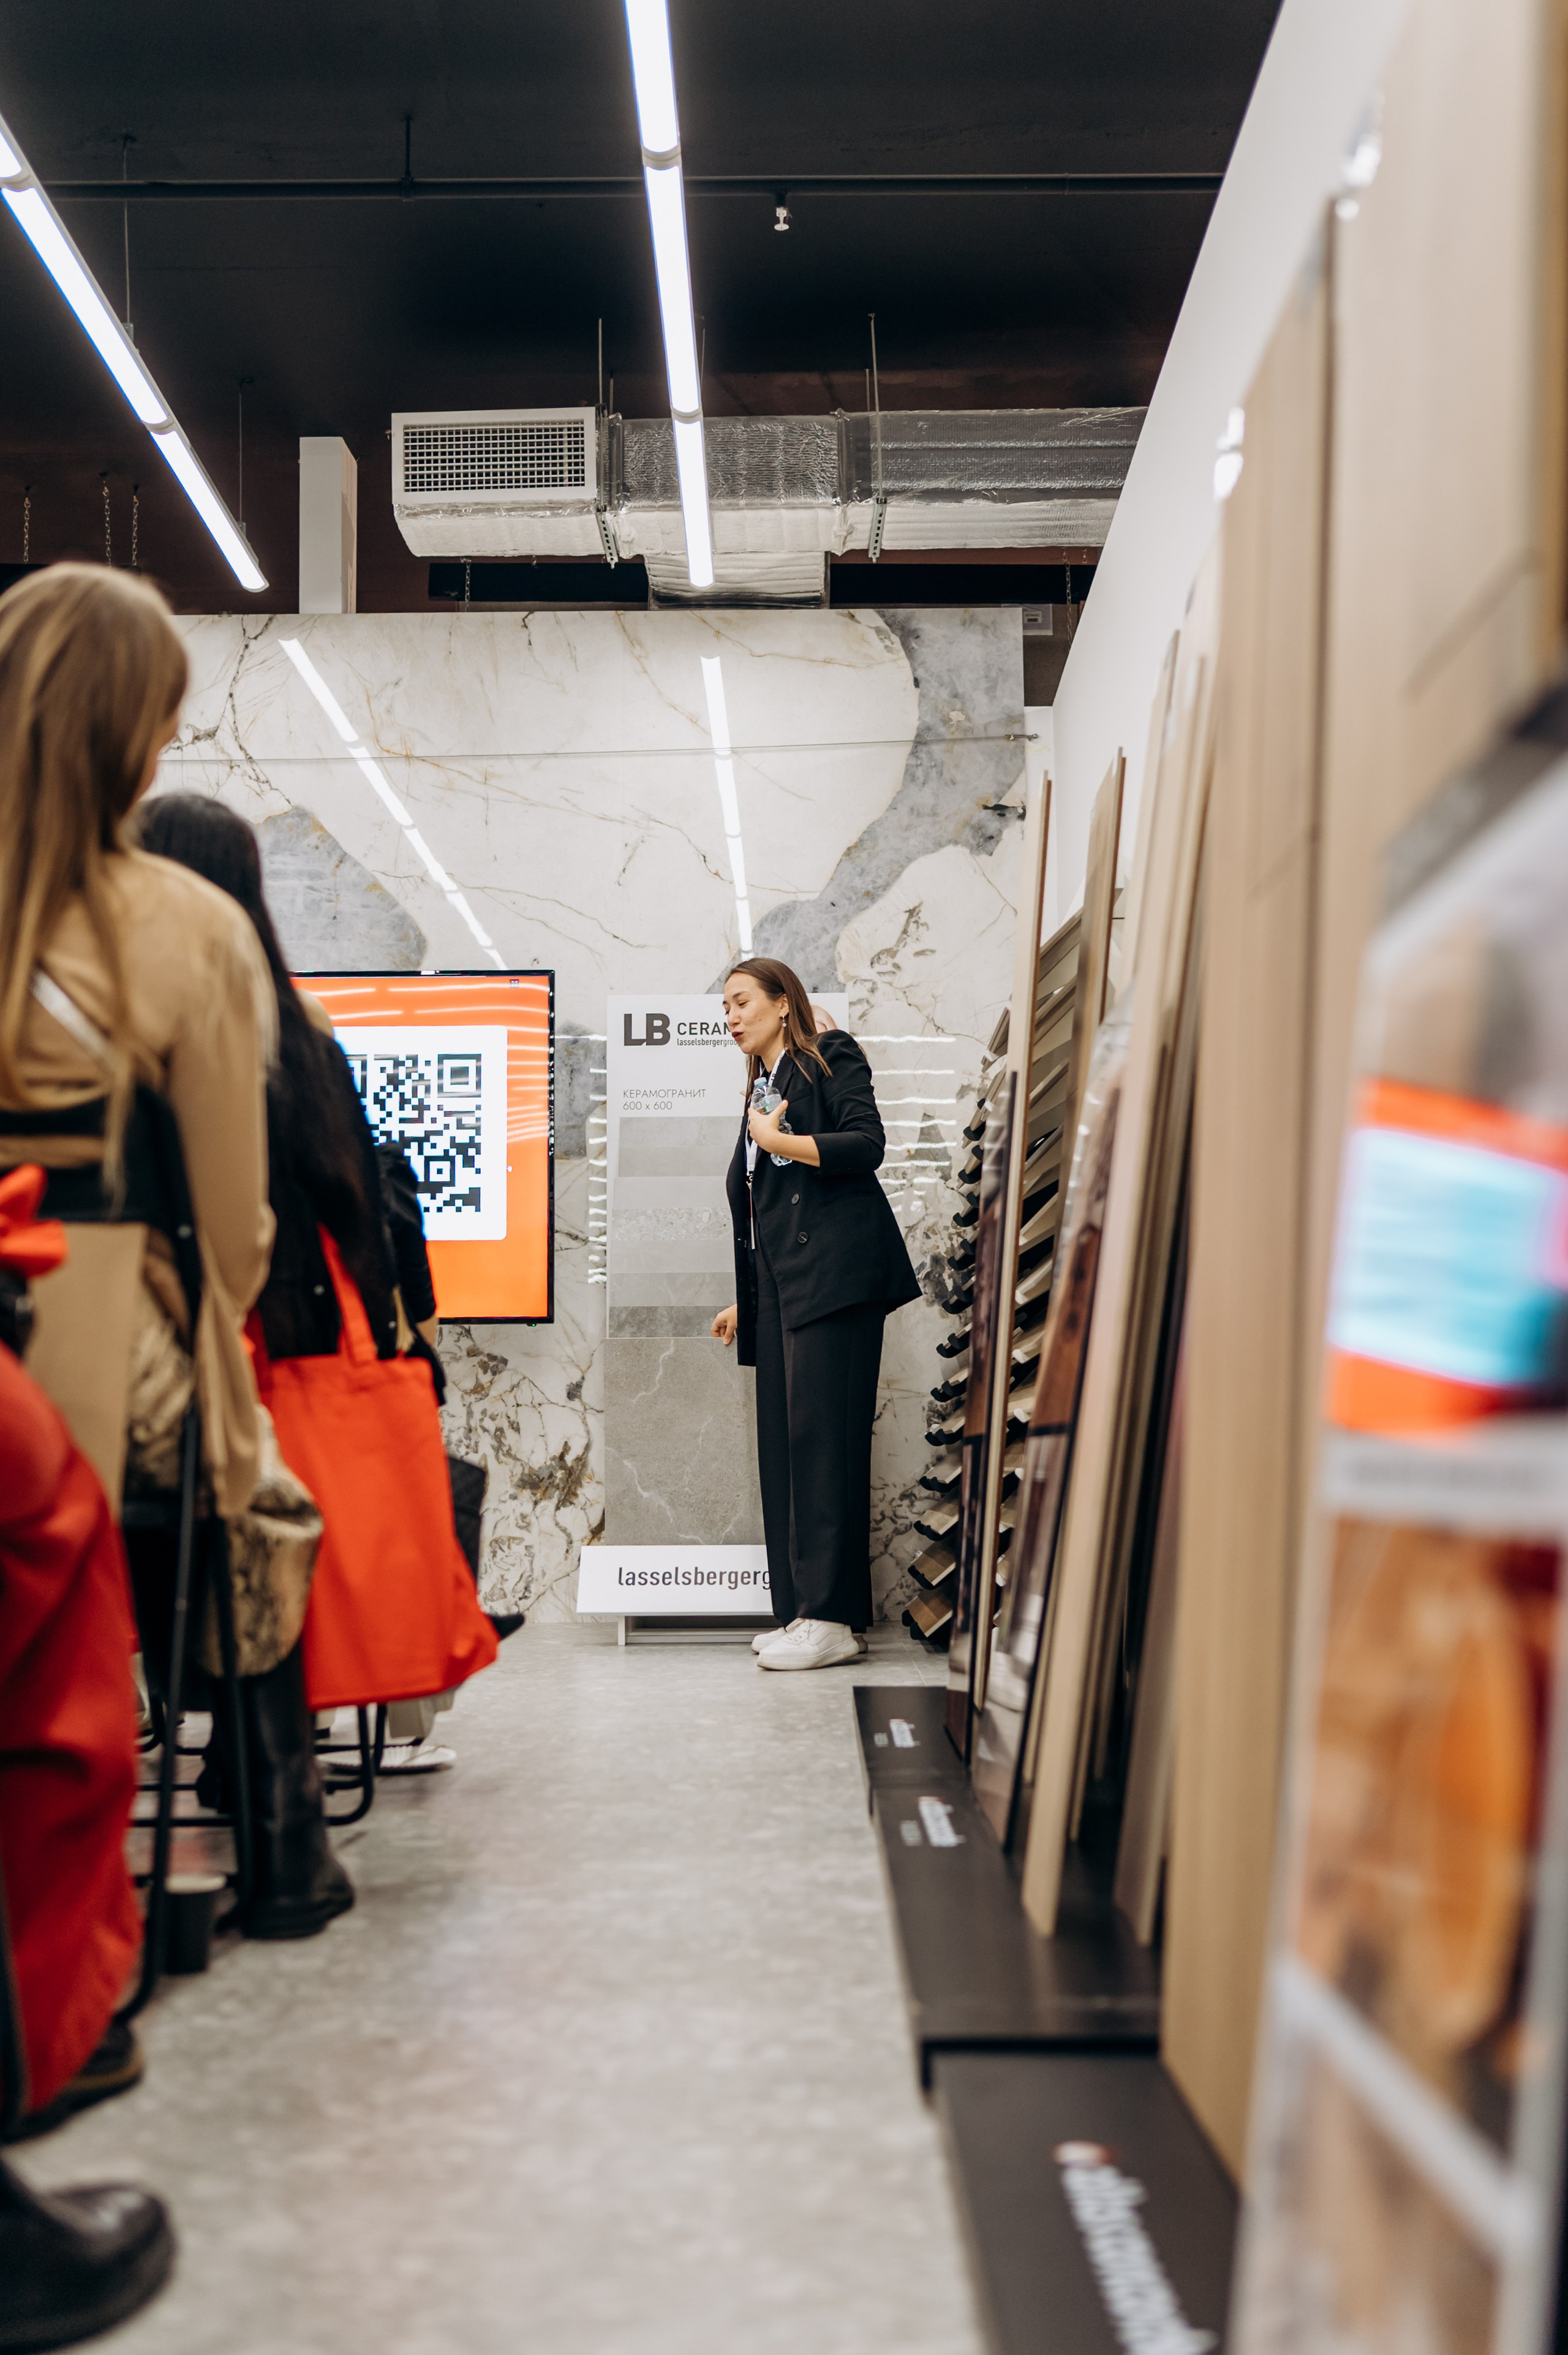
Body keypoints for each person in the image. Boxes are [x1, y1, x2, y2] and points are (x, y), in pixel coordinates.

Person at [0, 567, 352, 1941]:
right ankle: (280, 1858)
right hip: (85, 1352)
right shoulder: (186, 925)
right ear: (135, 730)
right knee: (256, 1510)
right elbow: (235, 1223)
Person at [136, 796, 497, 1740]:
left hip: (172, 1342)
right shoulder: (298, 1022)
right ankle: (275, 1775)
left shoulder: (117, 1016)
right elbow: (356, 1195)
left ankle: (228, 1742)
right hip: (291, 1335)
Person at [711, 957, 921, 1669]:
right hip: (783, 1292)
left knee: (822, 1446)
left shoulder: (829, 1053)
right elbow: (764, 1208)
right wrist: (749, 1296)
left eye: (742, 1002)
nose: (732, 1017)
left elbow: (867, 1146)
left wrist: (779, 1144)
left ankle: (831, 1616)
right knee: (787, 1450)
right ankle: (805, 1611)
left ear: (782, 1002)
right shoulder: (760, 1089)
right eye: (726, 1009)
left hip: (837, 1281)